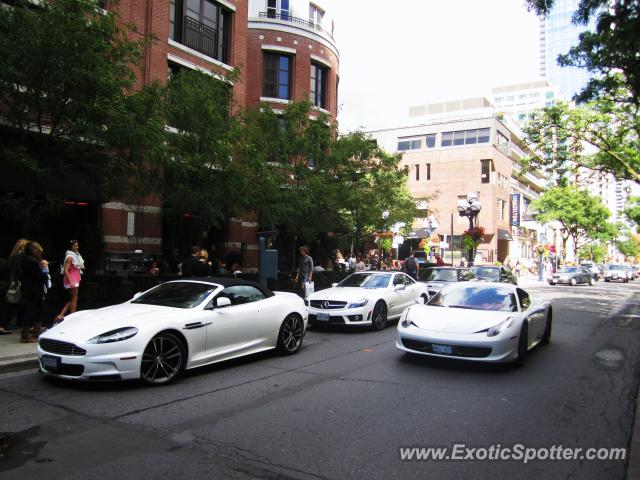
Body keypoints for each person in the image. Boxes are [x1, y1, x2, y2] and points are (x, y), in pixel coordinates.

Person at [21, 242, 49, 342]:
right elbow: (40, 276)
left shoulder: (25, 260)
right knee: (34, 311)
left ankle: (32, 333)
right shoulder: (32, 262)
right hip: (35, 290)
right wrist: (44, 272)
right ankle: (29, 335)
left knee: (34, 310)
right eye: (37, 250)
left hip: (29, 289)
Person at [0, 239, 29, 335]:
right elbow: (19, 271)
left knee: (12, 303)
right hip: (18, 283)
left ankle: (5, 325)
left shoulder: (12, 255)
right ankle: (5, 325)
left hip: (11, 282)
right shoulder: (21, 256)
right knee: (15, 304)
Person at [54, 240, 84, 323]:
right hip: (72, 280)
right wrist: (70, 281)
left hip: (74, 279)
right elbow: (66, 270)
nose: (77, 247)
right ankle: (70, 316)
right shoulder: (70, 257)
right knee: (73, 299)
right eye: (75, 246)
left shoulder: (75, 256)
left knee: (73, 299)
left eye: (77, 246)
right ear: (71, 247)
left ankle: (63, 315)